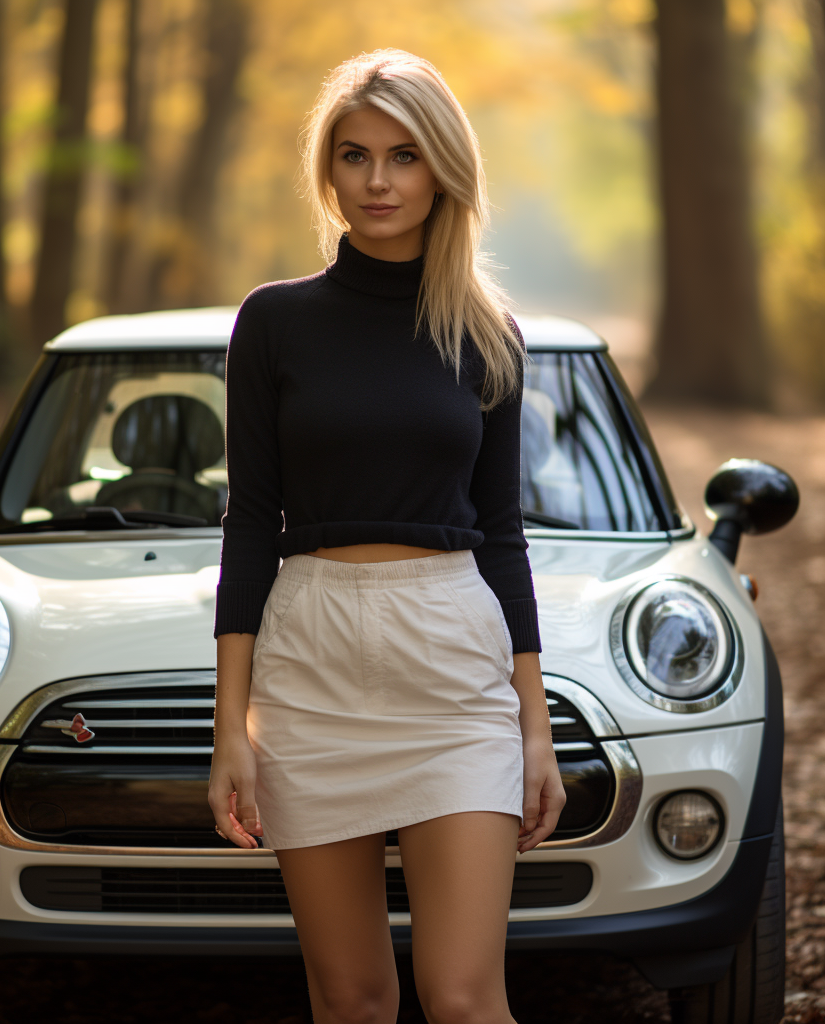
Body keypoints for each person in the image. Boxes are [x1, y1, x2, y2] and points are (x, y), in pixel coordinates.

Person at [208, 48, 565, 1024]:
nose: (377, 180)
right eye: (355, 155)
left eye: (403, 156)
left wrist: (534, 727)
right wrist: (228, 729)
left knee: (459, 994)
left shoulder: (485, 331)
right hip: (310, 659)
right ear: (327, 169)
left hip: (452, 656)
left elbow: (501, 532)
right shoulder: (273, 323)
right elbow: (249, 522)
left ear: (442, 167)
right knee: (355, 997)